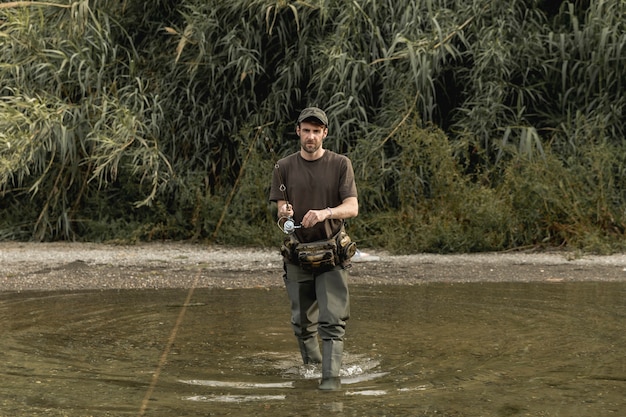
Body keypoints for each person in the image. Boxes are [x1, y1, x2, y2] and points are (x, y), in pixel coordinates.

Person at [269, 107, 358, 391]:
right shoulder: (283, 166)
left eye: (316, 131)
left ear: (325, 134)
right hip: (297, 255)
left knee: (332, 323)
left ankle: (330, 383)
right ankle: (313, 370)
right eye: (306, 130)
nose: (311, 136)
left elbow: (352, 208)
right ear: (298, 131)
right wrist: (286, 214)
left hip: (333, 254)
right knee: (302, 323)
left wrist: (325, 213)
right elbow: (280, 210)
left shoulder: (341, 164)